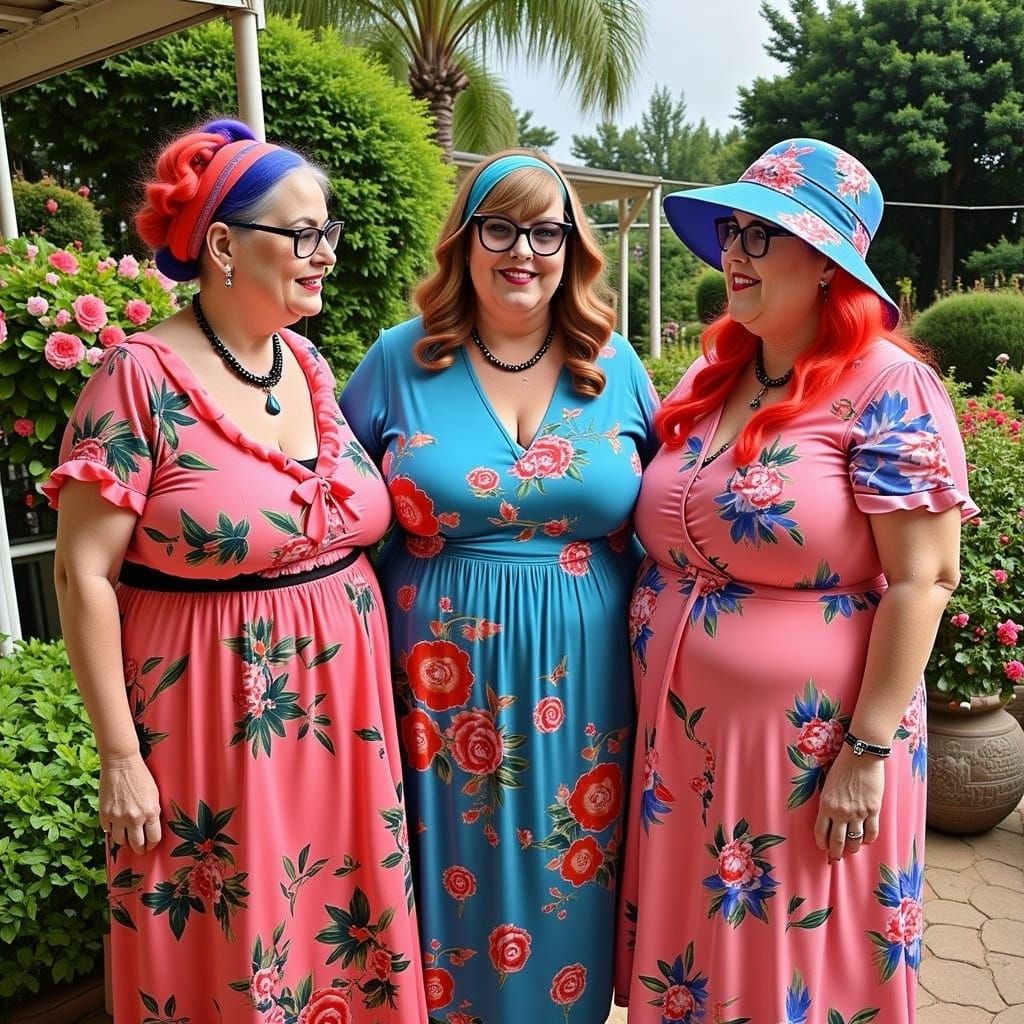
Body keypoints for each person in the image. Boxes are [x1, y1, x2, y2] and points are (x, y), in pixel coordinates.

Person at [44, 119, 426, 1022]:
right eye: (302, 235)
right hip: (212, 723)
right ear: (222, 244)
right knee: (236, 942)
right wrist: (119, 758)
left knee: (336, 930)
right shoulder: (137, 377)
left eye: (327, 233)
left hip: (343, 732)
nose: (323, 253)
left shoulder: (305, 363)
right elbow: (80, 574)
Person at [613, 139, 977, 1021]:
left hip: (812, 752)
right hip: (686, 741)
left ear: (822, 262)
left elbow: (924, 580)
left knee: (790, 969)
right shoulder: (715, 373)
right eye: (730, 231)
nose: (731, 252)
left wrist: (867, 749)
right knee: (700, 969)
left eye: (758, 234)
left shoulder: (892, 385)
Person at [340, 149, 658, 1022]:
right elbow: (324, 497)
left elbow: (675, 504)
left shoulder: (615, 364)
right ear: (465, 241)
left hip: (587, 691)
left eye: (546, 231)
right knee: (450, 884)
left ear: (572, 248)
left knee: (571, 877)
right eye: (501, 227)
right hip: (434, 690)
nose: (524, 251)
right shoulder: (400, 361)